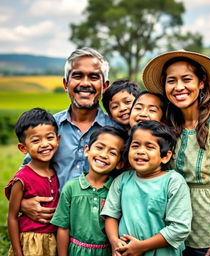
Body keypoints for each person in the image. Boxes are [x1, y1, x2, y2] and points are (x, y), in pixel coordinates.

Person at [142, 50, 210, 256]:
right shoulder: (169, 124)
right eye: (171, 80)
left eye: (187, 79)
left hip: (208, 235)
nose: (179, 87)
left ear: (201, 82)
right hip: (172, 230)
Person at [21, 47, 121, 224]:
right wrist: (22, 202)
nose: (85, 83)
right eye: (77, 76)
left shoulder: (117, 132)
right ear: (66, 84)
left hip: (97, 231)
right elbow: (27, 172)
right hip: (50, 227)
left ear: (104, 86)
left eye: (93, 77)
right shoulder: (49, 128)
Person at [101, 121, 192, 256]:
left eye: (150, 147)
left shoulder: (173, 182)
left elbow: (180, 228)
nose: (141, 151)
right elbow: (110, 215)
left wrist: (141, 247)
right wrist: (114, 242)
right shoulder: (122, 180)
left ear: (165, 156)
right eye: (135, 145)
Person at [50, 126, 127, 256]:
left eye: (112, 153)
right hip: (76, 251)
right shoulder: (71, 188)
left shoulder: (117, 190)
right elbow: (63, 228)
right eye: (99, 147)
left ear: (119, 164)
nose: (103, 155)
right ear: (87, 150)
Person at [5, 108, 60, 256]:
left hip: (55, 241)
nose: (44, 144)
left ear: (58, 139)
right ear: (23, 148)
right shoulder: (22, 178)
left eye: (49, 137)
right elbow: (12, 216)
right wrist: (18, 252)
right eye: (36, 140)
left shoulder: (56, 172)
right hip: (32, 243)